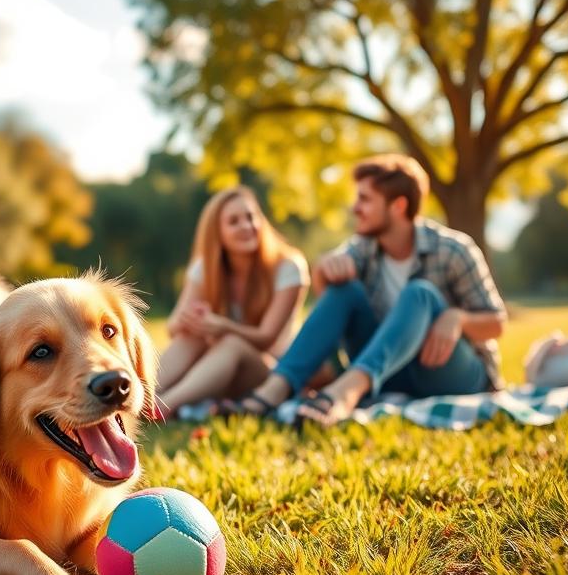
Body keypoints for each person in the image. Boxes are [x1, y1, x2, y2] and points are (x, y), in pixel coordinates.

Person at [235, 154, 507, 426]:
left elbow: (497, 324)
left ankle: (345, 392)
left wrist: (457, 319)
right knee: (344, 289)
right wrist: (324, 269)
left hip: (449, 372)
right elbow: (329, 298)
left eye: (364, 199)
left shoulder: (453, 250)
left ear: (398, 206)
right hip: (391, 376)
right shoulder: (364, 247)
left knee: (419, 293)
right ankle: (275, 388)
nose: (355, 208)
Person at [157, 186, 308, 419]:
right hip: (216, 371)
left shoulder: (288, 267)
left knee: (231, 343)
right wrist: (193, 319)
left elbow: (268, 338)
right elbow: (173, 328)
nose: (247, 226)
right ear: (217, 232)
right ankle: (141, 398)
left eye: (251, 217)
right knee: (191, 335)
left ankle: (162, 408)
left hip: (272, 375)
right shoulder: (205, 269)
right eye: (234, 221)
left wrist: (222, 327)